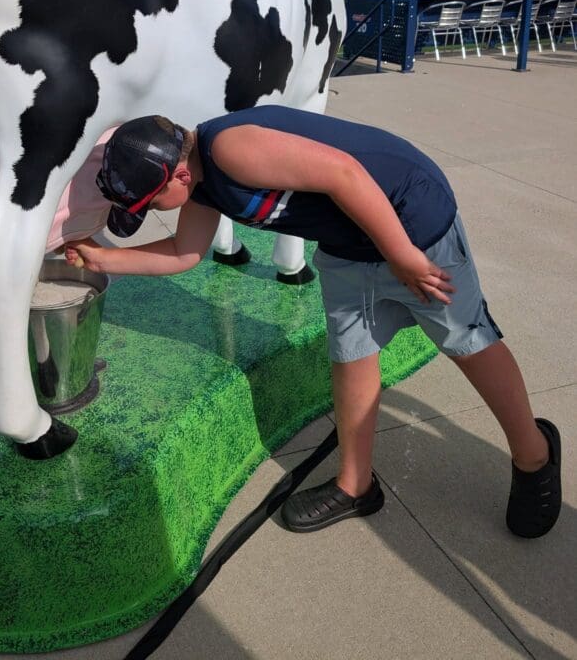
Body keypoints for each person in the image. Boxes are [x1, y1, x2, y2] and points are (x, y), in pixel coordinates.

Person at [63, 106, 561, 538]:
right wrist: (103, 260)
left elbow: (345, 174)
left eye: (148, 205)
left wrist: (404, 255)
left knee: (466, 340)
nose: (150, 213)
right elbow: (182, 253)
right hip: (350, 242)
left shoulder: (230, 148)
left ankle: (533, 454)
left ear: (175, 176)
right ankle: (355, 484)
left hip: (408, 221)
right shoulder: (199, 186)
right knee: (351, 354)